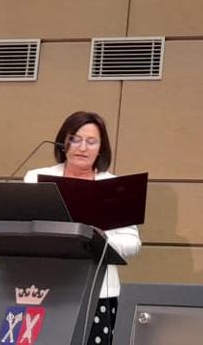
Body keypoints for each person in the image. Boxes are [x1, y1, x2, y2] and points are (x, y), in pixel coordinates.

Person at [24, 111, 141, 344]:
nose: (82, 147)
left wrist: (101, 238)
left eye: (91, 141)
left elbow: (133, 243)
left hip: (97, 292)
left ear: (101, 148)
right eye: (75, 139)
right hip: (43, 287)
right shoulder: (37, 178)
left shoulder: (115, 187)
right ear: (63, 142)